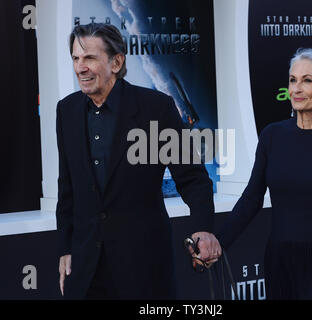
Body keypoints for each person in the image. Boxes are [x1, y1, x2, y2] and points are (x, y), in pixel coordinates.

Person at [56, 22, 217, 300]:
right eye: (75, 58)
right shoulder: (66, 110)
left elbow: (192, 177)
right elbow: (67, 187)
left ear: (116, 62)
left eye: (90, 58)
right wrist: (66, 249)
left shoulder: (156, 108)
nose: (80, 67)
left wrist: (202, 227)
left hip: (143, 268)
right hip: (85, 270)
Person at [192, 48, 312, 299]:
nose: (296, 89)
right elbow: (251, 199)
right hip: (281, 261)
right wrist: (218, 244)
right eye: (293, 80)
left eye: (307, 80)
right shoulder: (272, 136)